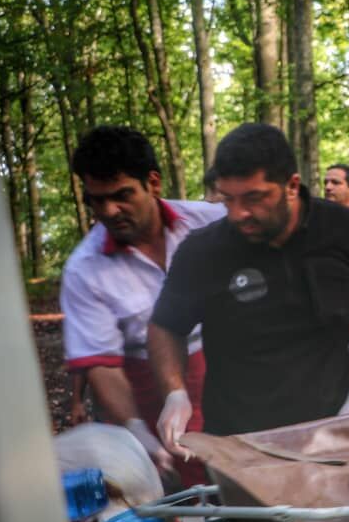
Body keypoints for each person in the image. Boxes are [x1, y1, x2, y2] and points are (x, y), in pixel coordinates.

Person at [148, 123, 349, 459]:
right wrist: (175, 392)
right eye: (229, 199)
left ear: (291, 186)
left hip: (328, 439)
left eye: (254, 198)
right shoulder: (203, 251)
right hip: (236, 445)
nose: (239, 213)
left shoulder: (348, 232)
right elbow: (164, 326)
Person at [59, 126, 225, 485]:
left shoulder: (209, 222)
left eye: (121, 195)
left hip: (226, 375)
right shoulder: (84, 270)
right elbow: (101, 365)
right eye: (96, 200)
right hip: (145, 393)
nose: (109, 210)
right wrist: (139, 433)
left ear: (153, 183)